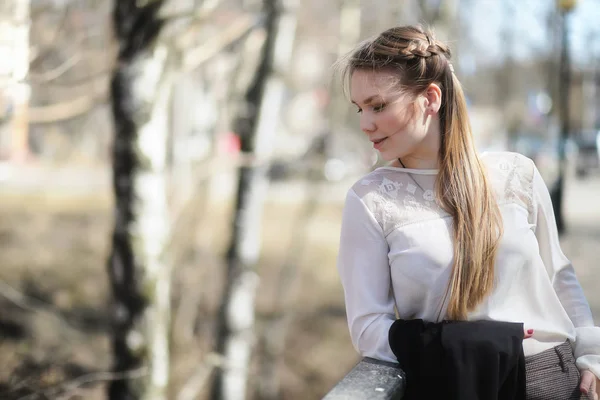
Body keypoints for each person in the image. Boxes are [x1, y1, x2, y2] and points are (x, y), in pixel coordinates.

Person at [335, 25, 600, 399]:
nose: (365, 123)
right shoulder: (371, 199)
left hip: (552, 381)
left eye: (378, 106)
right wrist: (461, 344)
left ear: (430, 98)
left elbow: (559, 275)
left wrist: (592, 355)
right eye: (360, 108)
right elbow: (367, 328)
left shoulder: (517, 173)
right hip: (450, 385)